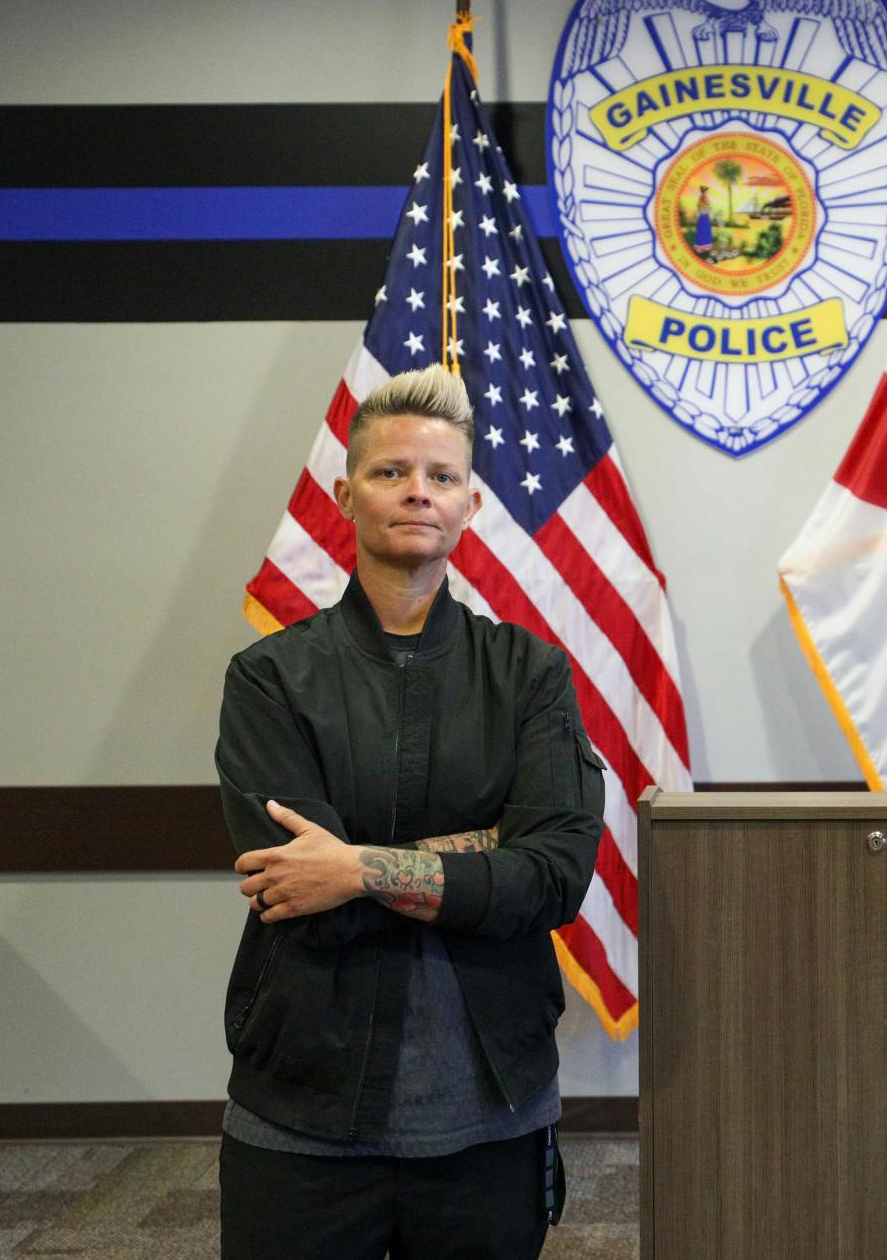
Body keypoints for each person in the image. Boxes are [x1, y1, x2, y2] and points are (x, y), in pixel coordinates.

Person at [215, 367, 605, 1260]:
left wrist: (354, 866)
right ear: (347, 493)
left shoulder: (529, 674)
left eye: (440, 476)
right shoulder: (270, 679)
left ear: (469, 503)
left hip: (489, 1106)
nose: (417, 492)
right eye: (391, 472)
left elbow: (549, 877)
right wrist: (484, 853)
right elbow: (286, 877)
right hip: (304, 1100)